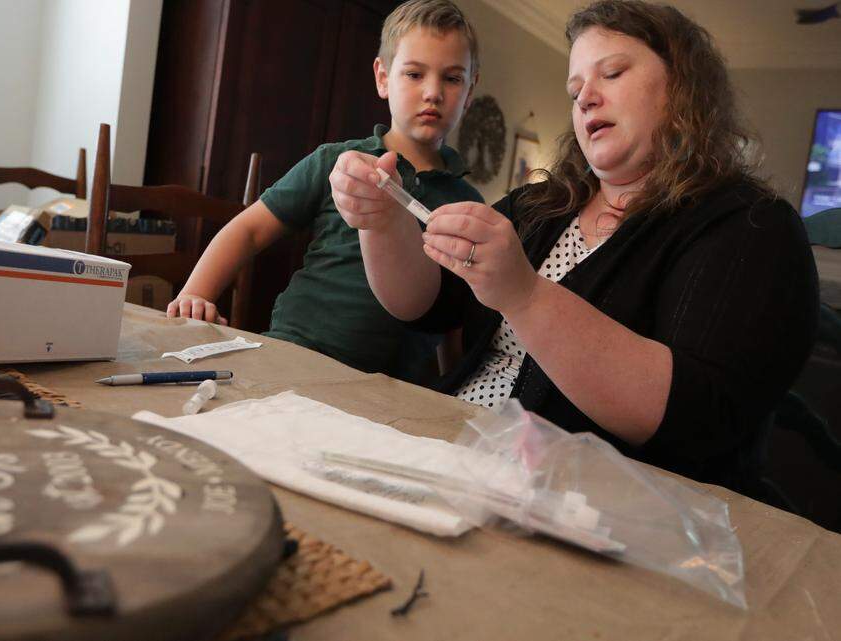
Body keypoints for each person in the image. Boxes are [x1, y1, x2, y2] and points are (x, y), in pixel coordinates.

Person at [329, 0, 819, 483]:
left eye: (612, 73)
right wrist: (380, 222)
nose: (585, 98)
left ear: (682, 85)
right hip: (458, 457)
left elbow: (697, 416)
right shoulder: (539, 207)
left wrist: (524, 294)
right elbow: (426, 304)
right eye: (575, 87)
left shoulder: (752, 227)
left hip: (597, 512)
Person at [166, 0, 484, 385]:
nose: (433, 92)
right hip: (294, 355)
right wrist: (195, 295)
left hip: (393, 392)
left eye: (452, 79)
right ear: (383, 78)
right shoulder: (333, 161)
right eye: (415, 74)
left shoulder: (471, 206)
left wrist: (453, 386)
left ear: (470, 90)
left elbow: (454, 314)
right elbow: (248, 230)